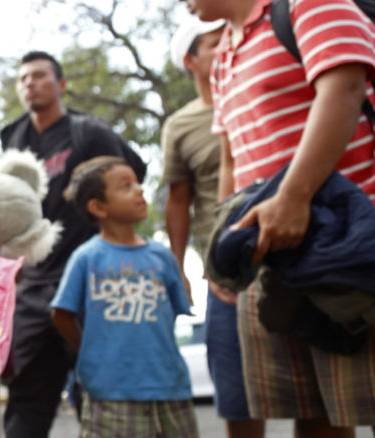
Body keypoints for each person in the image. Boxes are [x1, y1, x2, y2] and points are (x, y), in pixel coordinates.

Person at [182, 0, 375, 436]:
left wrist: (294, 196)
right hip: (272, 257)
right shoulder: (222, 55)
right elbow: (230, 157)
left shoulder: (306, 3)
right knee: (311, 413)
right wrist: (222, 242)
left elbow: (345, 87)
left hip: (355, 244)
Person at [0, 50, 146, 437]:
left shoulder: (89, 132)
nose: (30, 82)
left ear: (61, 84)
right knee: (26, 401)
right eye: (23, 77)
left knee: (99, 395)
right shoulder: (12, 141)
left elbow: (130, 178)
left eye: (40, 75)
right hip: (31, 290)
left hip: (88, 284)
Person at [162, 18, 265, 438]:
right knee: (236, 398)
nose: (225, 43)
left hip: (285, 254)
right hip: (224, 277)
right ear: (191, 60)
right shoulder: (180, 125)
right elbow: (178, 201)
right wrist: (180, 266)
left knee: (312, 396)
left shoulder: (257, 93)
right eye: (211, 42)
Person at [51, 156, 197, 437]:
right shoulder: (86, 258)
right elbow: (61, 314)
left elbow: (172, 315)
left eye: (138, 183)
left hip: (170, 387)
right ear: (98, 207)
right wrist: (90, 350)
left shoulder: (162, 257)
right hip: (110, 392)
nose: (139, 190)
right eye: (125, 186)